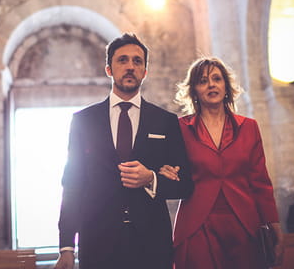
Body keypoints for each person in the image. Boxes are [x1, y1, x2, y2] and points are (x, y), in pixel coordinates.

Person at [54, 33, 194, 269]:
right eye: (123, 60)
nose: (130, 66)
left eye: (137, 61)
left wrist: (151, 178)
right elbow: (72, 184)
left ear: (145, 72)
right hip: (97, 243)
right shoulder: (83, 121)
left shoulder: (166, 122)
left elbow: (185, 185)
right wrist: (67, 246)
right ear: (109, 69)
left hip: (152, 244)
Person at [159, 57, 284, 268]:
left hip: (244, 223)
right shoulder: (180, 128)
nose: (211, 85)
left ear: (226, 86)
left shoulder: (249, 127)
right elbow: (167, 165)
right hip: (197, 224)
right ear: (194, 91)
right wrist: (164, 169)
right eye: (203, 81)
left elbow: (261, 182)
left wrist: (275, 226)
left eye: (217, 79)